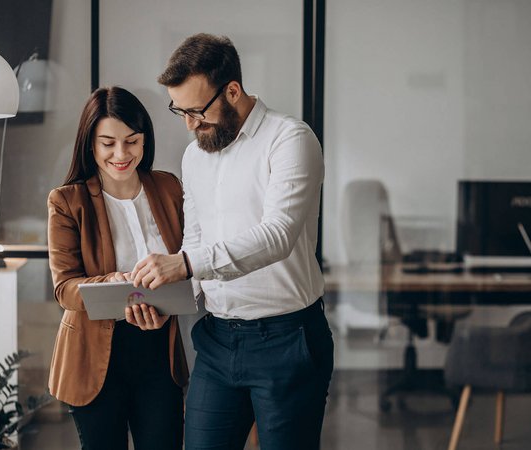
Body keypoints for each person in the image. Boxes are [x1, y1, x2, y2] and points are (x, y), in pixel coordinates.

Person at [130, 34, 334, 450]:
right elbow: (197, 236)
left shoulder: (290, 140)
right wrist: (165, 297)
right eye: (179, 111)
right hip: (218, 340)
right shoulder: (196, 155)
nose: (189, 124)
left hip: (287, 338)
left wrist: (185, 264)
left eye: (196, 111)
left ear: (233, 91)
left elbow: (277, 235)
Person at [47, 86, 188, 450]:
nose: (121, 154)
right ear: (89, 144)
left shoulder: (169, 187)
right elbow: (64, 289)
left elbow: (191, 261)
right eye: (107, 143)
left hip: (159, 352)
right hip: (94, 359)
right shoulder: (67, 201)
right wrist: (110, 281)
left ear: (145, 140)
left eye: (132, 141)